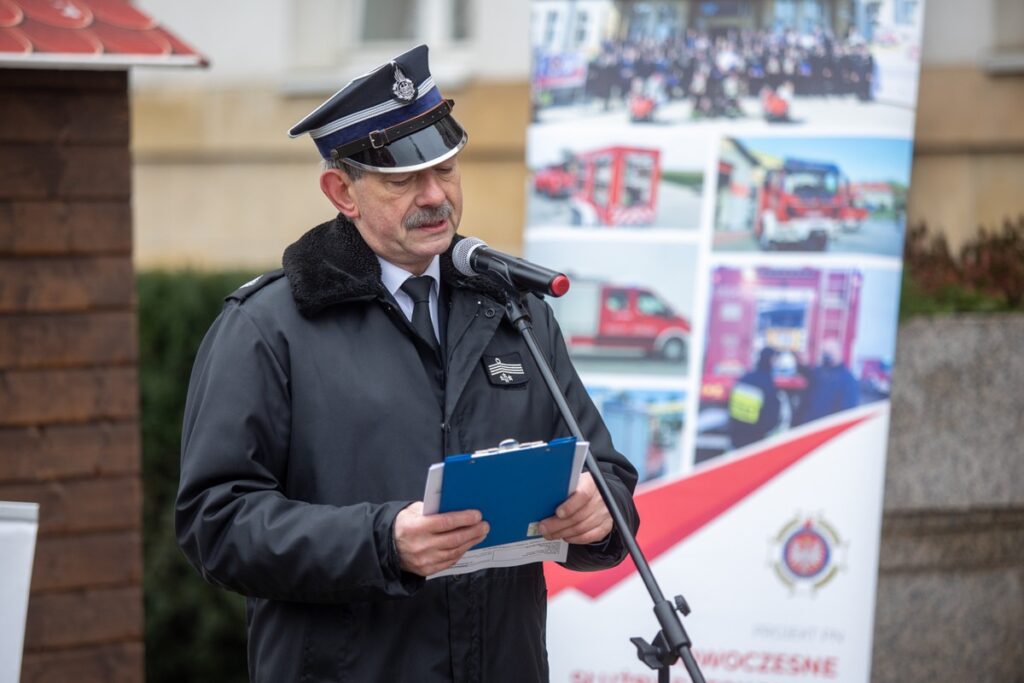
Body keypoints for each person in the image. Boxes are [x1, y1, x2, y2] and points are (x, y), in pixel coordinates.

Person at [174, 45, 639, 683]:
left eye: (446, 169)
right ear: (342, 191)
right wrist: (383, 541)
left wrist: (600, 510)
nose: (434, 195)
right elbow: (215, 521)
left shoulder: (513, 307)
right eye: (401, 180)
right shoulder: (267, 326)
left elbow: (603, 465)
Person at [793, 339, 859, 426]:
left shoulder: (847, 379)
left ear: (839, 352)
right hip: (807, 425)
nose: (827, 354)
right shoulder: (819, 371)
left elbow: (847, 412)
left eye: (830, 351)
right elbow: (807, 373)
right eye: (824, 351)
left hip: (825, 428)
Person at [727, 347, 782, 449]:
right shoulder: (767, 384)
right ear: (770, 360)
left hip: (736, 436)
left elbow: (730, 406)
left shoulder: (744, 379)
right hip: (753, 439)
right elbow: (770, 418)